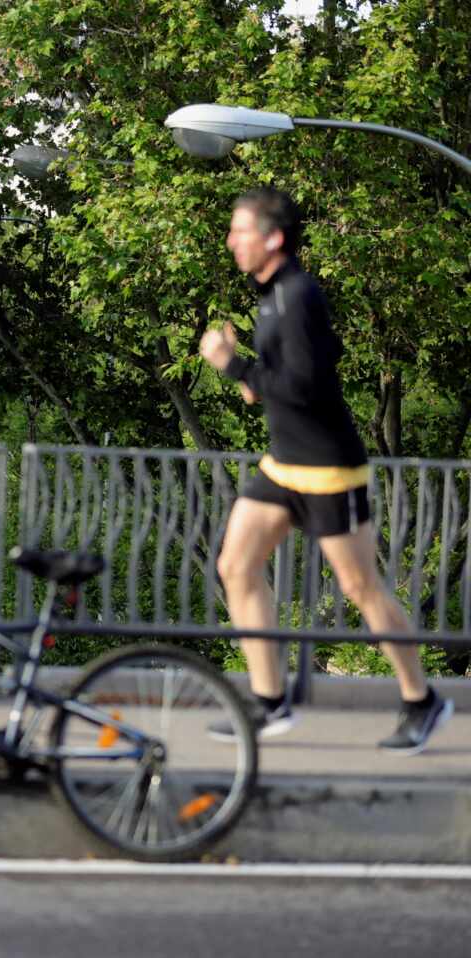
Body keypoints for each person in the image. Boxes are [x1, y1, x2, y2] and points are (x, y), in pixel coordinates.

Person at [200, 186, 450, 752]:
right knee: (235, 565)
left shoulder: (299, 297)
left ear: (274, 238)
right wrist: (246, 375)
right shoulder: (270, 298)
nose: (232, 241)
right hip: (284, 464)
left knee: (362, 589)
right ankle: (269, 702)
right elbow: (272, 390)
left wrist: (231, 363)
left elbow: (303, 389)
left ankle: (421, 700)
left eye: (241, 231)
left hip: (330, 471)